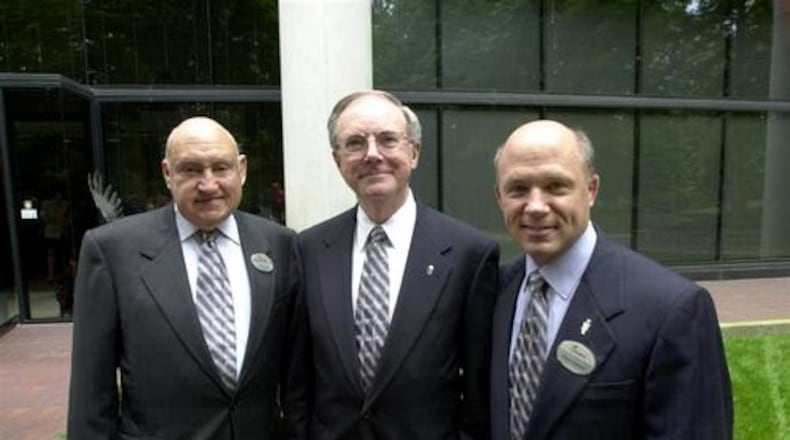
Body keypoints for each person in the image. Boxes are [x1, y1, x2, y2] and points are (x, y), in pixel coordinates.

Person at [490, 119, 733, 439]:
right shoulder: (493, 291)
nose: (535, 206)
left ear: (591, 190)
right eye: (518, 188)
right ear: (499, 197)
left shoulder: (672, 308)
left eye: (555, 186)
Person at [67, 116, 301, 439]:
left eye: (221, 168)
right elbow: (91, 389)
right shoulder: (111, 250)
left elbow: (296, 377)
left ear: (242, 169)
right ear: (167, 172)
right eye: (191, 170)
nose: (208, 184)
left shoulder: (280, 244)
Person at [290, 90, 499, 439]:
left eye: (388, 140)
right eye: (355, 143)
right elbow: (299, 381)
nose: (372, 155)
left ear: (414, 152)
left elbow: (479, 391)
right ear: (337, 159)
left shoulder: (468, 254)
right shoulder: (308, 249)